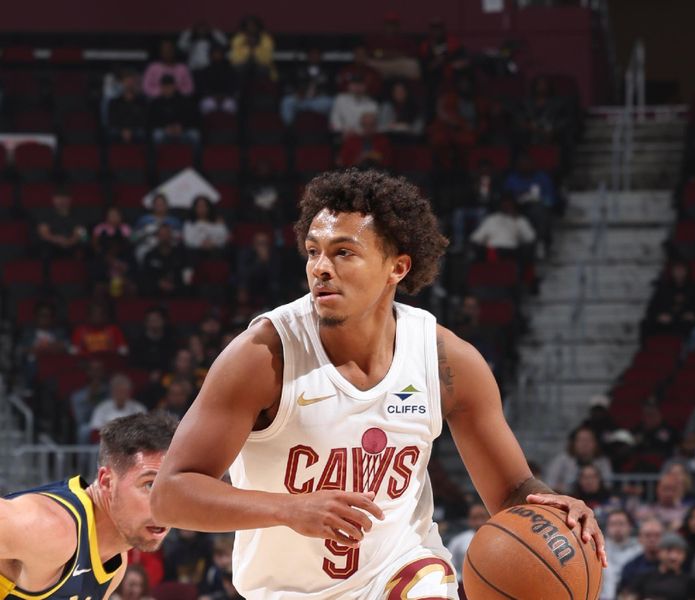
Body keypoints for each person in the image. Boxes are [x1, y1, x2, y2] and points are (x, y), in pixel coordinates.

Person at [150, 169, 606, 599]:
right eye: (313, 251)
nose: (320, 268)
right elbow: (171, 495)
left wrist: (554, 509)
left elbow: (510, 491)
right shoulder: (263, 355)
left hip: (405, 573)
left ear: (397, 268)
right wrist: (289, 508)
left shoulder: (448, 361)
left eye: (343, 252)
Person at [0, 413, 177, 599]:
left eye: (174, 489)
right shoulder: (51, 527)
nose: (165, 507)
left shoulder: (115, 563)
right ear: (107, 482)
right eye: (150, 485)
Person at [629, 532, 695, 600]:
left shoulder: (691, 583)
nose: (673, 557)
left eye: (679, 552)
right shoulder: (643, 578)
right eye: (669, 551)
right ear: (659, 552)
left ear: (684, 556)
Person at [544, 425, 613, 494]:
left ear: (595, 443)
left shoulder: (603, 462)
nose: (584, 444)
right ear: (573, 443)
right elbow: (550, 484)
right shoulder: (561, 460)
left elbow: (608, 484)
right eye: (580, 440)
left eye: (588, 440)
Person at [89, 374, 148, 439]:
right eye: (118, 390)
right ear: (112, 391)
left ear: (129, 392)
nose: (121, 394)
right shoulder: (102, 407)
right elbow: (95, 431)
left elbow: (144, 431)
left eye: (123, 391)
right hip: (106, 442)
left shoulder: (139, 408)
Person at [445, 502, 489, 585]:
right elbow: (449, 565)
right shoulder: (458, 541)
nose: (479, 522)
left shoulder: (499, 539)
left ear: (489, 517)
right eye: (475, 518)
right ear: (469, 520)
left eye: (482, 517)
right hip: (464, 585)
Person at [601, 509, 641, 600]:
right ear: (607, 527)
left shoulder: (639, 550)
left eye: (621, 524)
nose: (617, 528)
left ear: (630, 527)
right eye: (613, 524)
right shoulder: (599, 548)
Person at [618, 518, 664, 593]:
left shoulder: (673, 565)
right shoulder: (630, 567)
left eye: (657, 535)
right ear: (640, 538)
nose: (652, 539)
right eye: (647, 535)